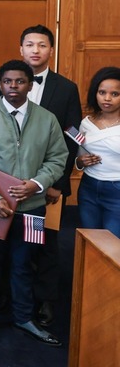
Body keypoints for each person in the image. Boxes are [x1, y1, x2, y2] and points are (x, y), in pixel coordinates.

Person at [0, 59, 67, 347]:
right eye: (7, 82)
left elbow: (58, 158)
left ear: (29, 85)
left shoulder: (47, 119)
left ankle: (23, 316)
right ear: (0, 85)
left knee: (24, 264)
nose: (13, 87)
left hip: (33, 208)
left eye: (19, 82)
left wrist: (38, 183)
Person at [0, 24, 81, 327]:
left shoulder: (66, 88)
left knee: (45, 245)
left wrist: (57, 183)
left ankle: (44, 300)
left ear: (50, 50)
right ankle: (2, 296)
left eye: (42, 45)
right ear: (21, 49)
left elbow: (71, 136)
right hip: (5, 187)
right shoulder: (1, 82)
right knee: (1, 240)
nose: (35, 50)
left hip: (46, 186)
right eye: (29, 45)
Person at [76, 66, 120, 238]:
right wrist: (81, 162)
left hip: (117, 190)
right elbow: (78, 159)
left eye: (115, 94)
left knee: (113, 246)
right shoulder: (86, 123)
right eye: (102, 92)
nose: (107, 98)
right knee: (90, 240)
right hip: (88, 187)